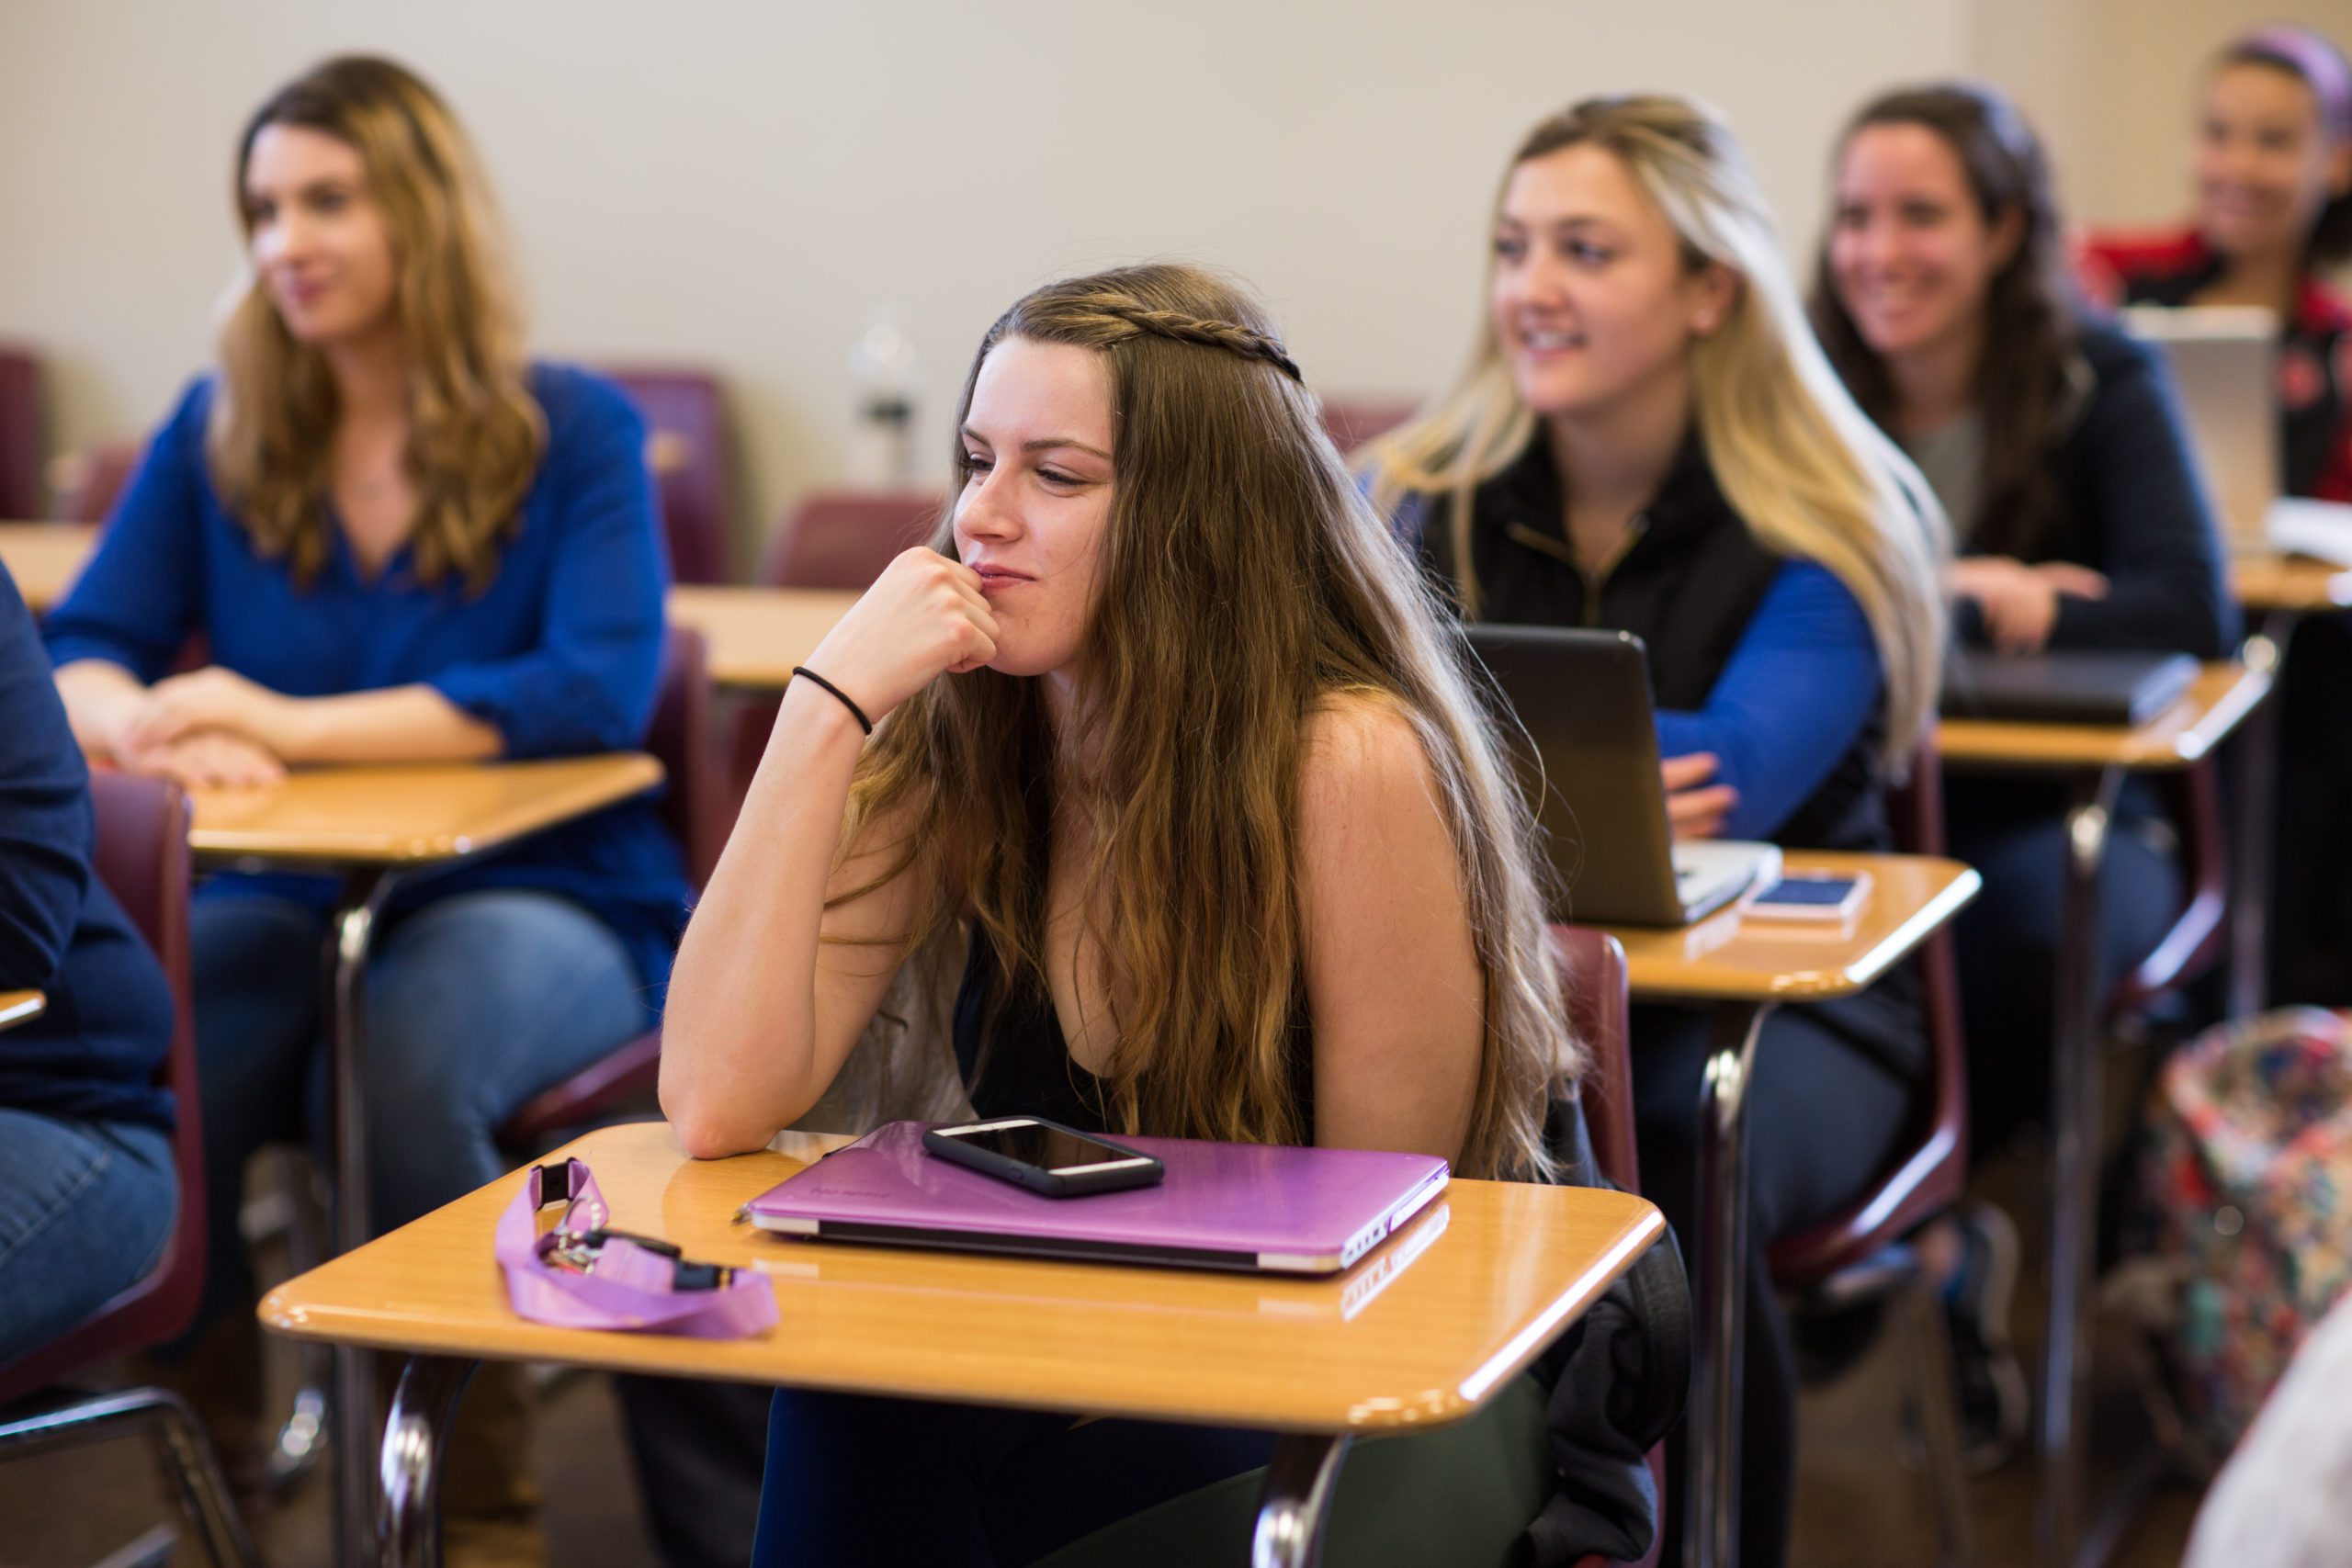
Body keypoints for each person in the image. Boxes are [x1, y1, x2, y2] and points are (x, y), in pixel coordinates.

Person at [660, 262, 1605, 1565]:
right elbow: (713, 1097)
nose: (981, 516)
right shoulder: (966, 732)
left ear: (1194, 520)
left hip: (1361, 1401)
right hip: (1086, 1353)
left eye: (1056, 475)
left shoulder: (1346, 759)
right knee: (856, 1401)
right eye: (974, 459)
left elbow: (1391, 1254)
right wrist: (824, 711)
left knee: (905, 1442)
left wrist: (1088, 1350)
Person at [41, 56, 684, 1565]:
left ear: (422, 214)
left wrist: (282, 723)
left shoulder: (573, 428)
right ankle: (206, 1496)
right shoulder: (221, 426)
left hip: (551, 888)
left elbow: (597, 685)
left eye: (327, 200)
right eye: (263, 209)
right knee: (169, 1028)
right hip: (287, 889)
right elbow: (77, 645)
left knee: (402, 1055)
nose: (285, 243)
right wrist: (141, 719)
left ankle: (468, 1519)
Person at [1359, 94, 1946, 1567]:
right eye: (1512, 247)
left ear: (1708, 290)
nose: (1530, 287)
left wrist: (1436, 745)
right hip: (1523, 986)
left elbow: (1726, 767)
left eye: (1584, 249)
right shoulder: (1421, 496)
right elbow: (1359, 730)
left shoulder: (1832, 519)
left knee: (1668, 1144)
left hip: (1790, 1017)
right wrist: (1537, 758)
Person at [1815, 80, 2237, 1466]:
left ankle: (1913, 1227)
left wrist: (2046, 602)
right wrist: (1971, 586)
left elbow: (2190, 606)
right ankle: (1907, 1242)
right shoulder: (1803, 384)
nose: (1881, 250)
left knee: (2006, 927)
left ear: (2003, 230)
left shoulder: (2098, 374)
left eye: (1922, 214)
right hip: (1867, 807)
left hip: (2079, 826)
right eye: (1858, 216)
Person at [2080, 26, 2352, 1003]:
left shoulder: (2337, 341)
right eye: (2217, 134)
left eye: (2272, 141)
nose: (2236, 166)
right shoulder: (2105, 283)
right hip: (2135, 612)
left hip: (2294, 650)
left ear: (2335, 157)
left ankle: (2270, 1004)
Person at [0, 558, 178, 1367]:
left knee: (416, 1071)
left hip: (56, 1104)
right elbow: (95, 635)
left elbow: (17, 921)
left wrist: (274, 721)